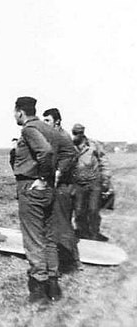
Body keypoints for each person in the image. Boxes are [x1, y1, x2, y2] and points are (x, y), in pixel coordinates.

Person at [11, 97, 60, 303]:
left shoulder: (29, 130)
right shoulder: (48, 128)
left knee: (34, 239)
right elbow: (65, 151)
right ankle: (53, 284)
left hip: (32, 187)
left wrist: (40, 178)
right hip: (48, 188)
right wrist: (51, 177)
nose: (14, 115)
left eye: (15, 112)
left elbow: (46, 152)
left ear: (20, 112)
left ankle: (39, 290)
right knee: (48, 237)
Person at [42, 108, 80, 271]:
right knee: (54, 223)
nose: (45, 124)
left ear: (57, 121)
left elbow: (71, 156)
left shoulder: (62, 137)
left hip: (63, 187)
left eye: (48, 121)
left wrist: (59, 172)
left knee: (63, 224)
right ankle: (61, 258)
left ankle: (71, 261)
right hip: (57, 186)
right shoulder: (52, 137)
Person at [71, 123, 111, 242]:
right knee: (78, 210)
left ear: (82, 134)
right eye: (74, 133)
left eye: (78, 133)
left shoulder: (93, 145)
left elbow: (104, 161)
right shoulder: (71, 146)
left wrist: (106, 177)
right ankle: (82, 232)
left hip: (94, 182)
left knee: (93, 209)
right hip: (78, 183)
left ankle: (94, 233)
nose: (75, 136)